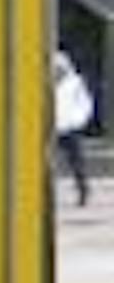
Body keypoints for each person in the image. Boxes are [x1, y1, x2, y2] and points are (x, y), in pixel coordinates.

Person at [56, 46, 94, 207]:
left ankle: (83, 189)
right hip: (51, 128)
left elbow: (85, 104)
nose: (57, 71)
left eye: (60, 68)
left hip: (70, 127)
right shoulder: (45, 83)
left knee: (77, 161)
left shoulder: (75, 83)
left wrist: (77, 120)